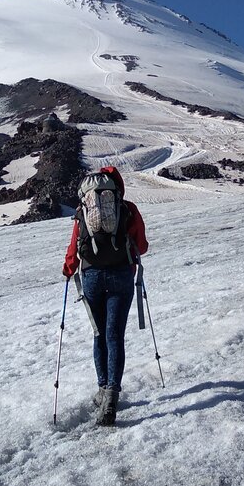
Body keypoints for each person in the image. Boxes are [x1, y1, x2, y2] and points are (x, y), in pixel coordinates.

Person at [62, 165, 148, 425]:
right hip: (121, 275)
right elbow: (141, 246)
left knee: (99, 335)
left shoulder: (84, 210)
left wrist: (68, 269)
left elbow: (75, 244)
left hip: (91, 277)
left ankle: (102, 389)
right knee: (115, 336)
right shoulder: (128, 209)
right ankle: (112, 392)